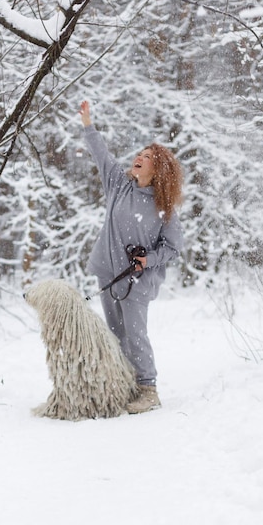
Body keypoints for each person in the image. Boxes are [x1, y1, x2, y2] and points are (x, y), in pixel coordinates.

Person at [78, 100, 184, 414]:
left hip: (137, 281)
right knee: (115, 333)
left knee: (135, 334)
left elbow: (173, 248)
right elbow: (101, 153)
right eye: (140, 154)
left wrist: (148, 260)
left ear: (158, 169)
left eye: (148, 157)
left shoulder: (164, 206)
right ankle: (124, 385)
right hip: (108, 273)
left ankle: (148, 389)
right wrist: (87, 123)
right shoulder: (118, 184)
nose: (139, 157)